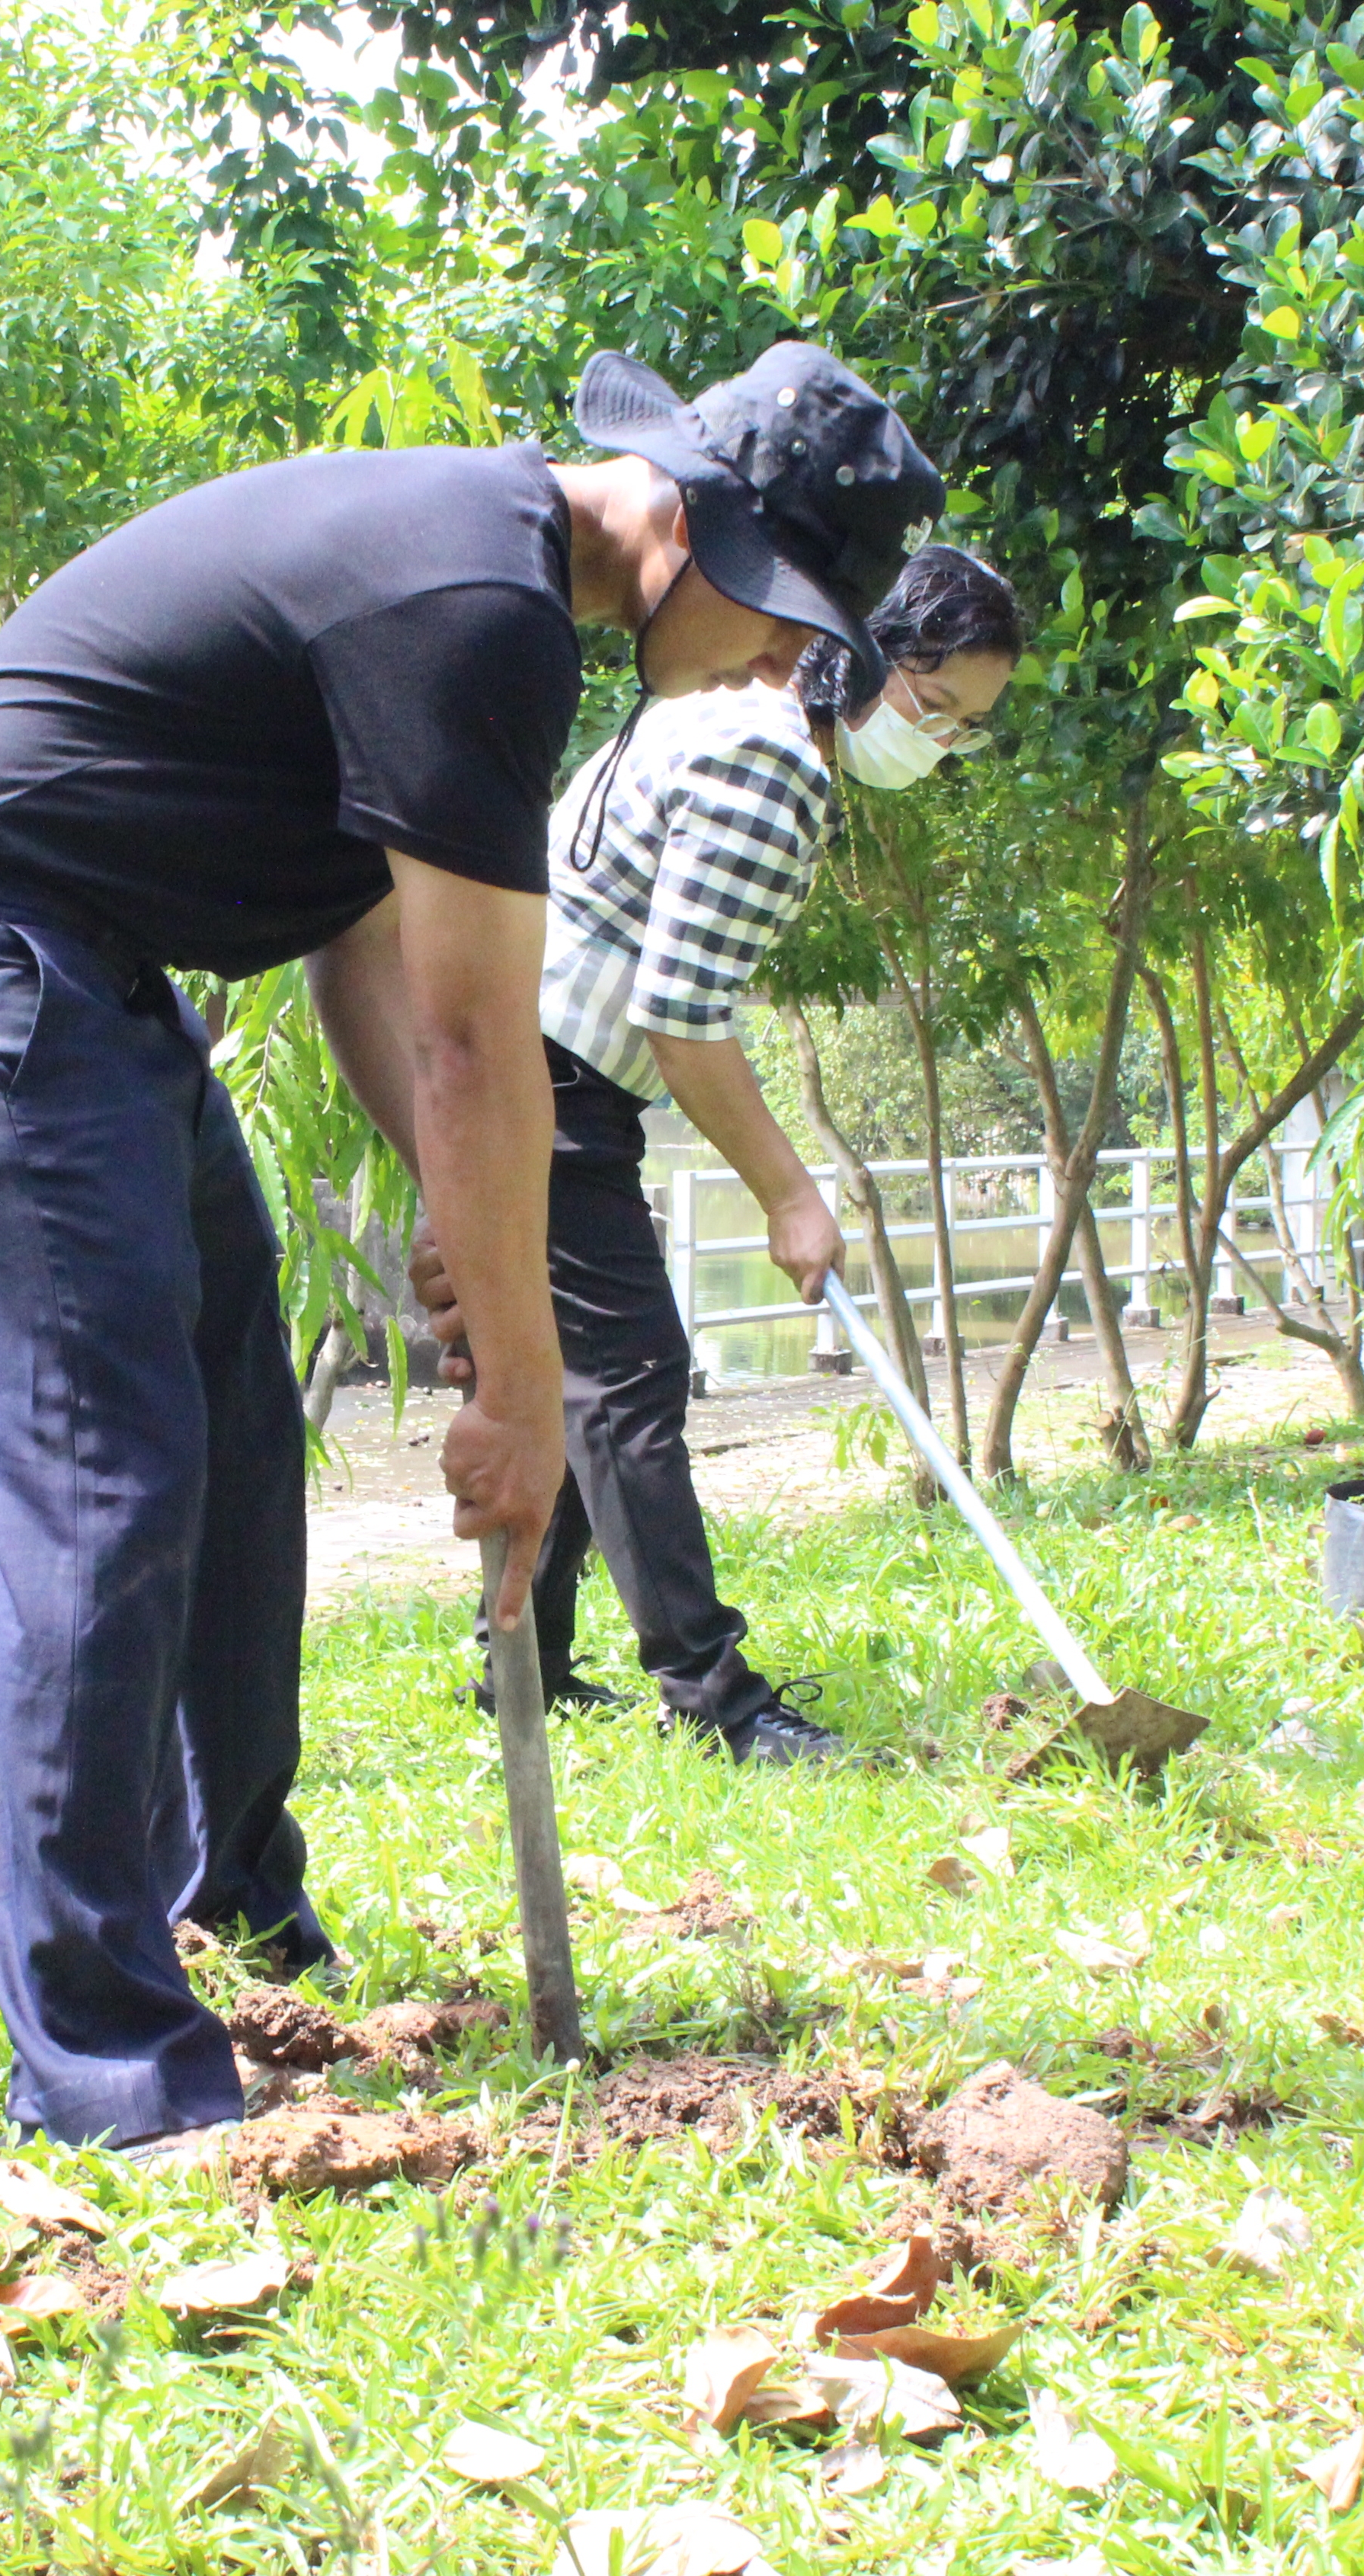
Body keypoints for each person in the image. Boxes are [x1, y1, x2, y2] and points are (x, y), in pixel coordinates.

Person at [0, 342, 947, 2150]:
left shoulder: (484, 581)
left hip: (94, 973)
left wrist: (448, 1208)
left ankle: (230, 1900)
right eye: (783, 615)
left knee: (233, 1441)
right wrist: (519, 1386)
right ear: (687, 529)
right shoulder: (474, 601)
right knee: (109, 1475)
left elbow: (362, 944)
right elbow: (474, 1041)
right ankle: (102, 2055)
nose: (779, 664)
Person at [431, 546, 1023, 1760]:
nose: (942, 743)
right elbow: (682, 1016)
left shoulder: (721, 692)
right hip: (554, 1076)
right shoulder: (769, 768)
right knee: (631, 1384)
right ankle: (714, 1701)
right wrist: (791, 1195)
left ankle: (520, 1672)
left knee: (579, 1382)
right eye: (938, 706)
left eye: (968, 730)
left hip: (516, 1052)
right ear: (865, 651)